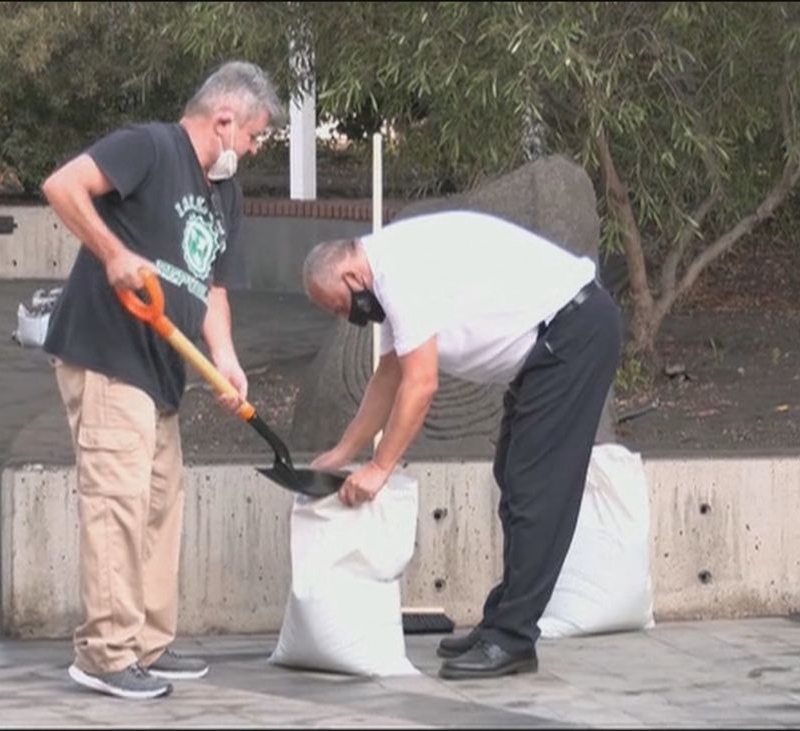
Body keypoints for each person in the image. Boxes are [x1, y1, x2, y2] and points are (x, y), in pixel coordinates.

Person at [39, 60, 285, 700]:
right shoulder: (147, 147)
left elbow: (215, 290)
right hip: (107, 349)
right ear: (224, 119)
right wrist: (114, 253)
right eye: (254, 135)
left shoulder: (224, 192)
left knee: (158, 506)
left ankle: (146, 642)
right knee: (116, 504)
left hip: (162, 366)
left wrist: (226, 358)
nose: (253, 149)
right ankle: (104, 655)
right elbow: (63, 185)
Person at [301, 210, 624, 680]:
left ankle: (512, 639)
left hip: (573, 332)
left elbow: (421, 384)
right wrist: (345, 452)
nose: (345, 316)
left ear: (352, 275)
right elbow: (389, 375)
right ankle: (503, 623)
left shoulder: (398, 270)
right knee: (514, 478)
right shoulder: (390, 269)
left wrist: (379, 468)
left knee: (537, 489)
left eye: (337, 305)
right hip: (554, 344)